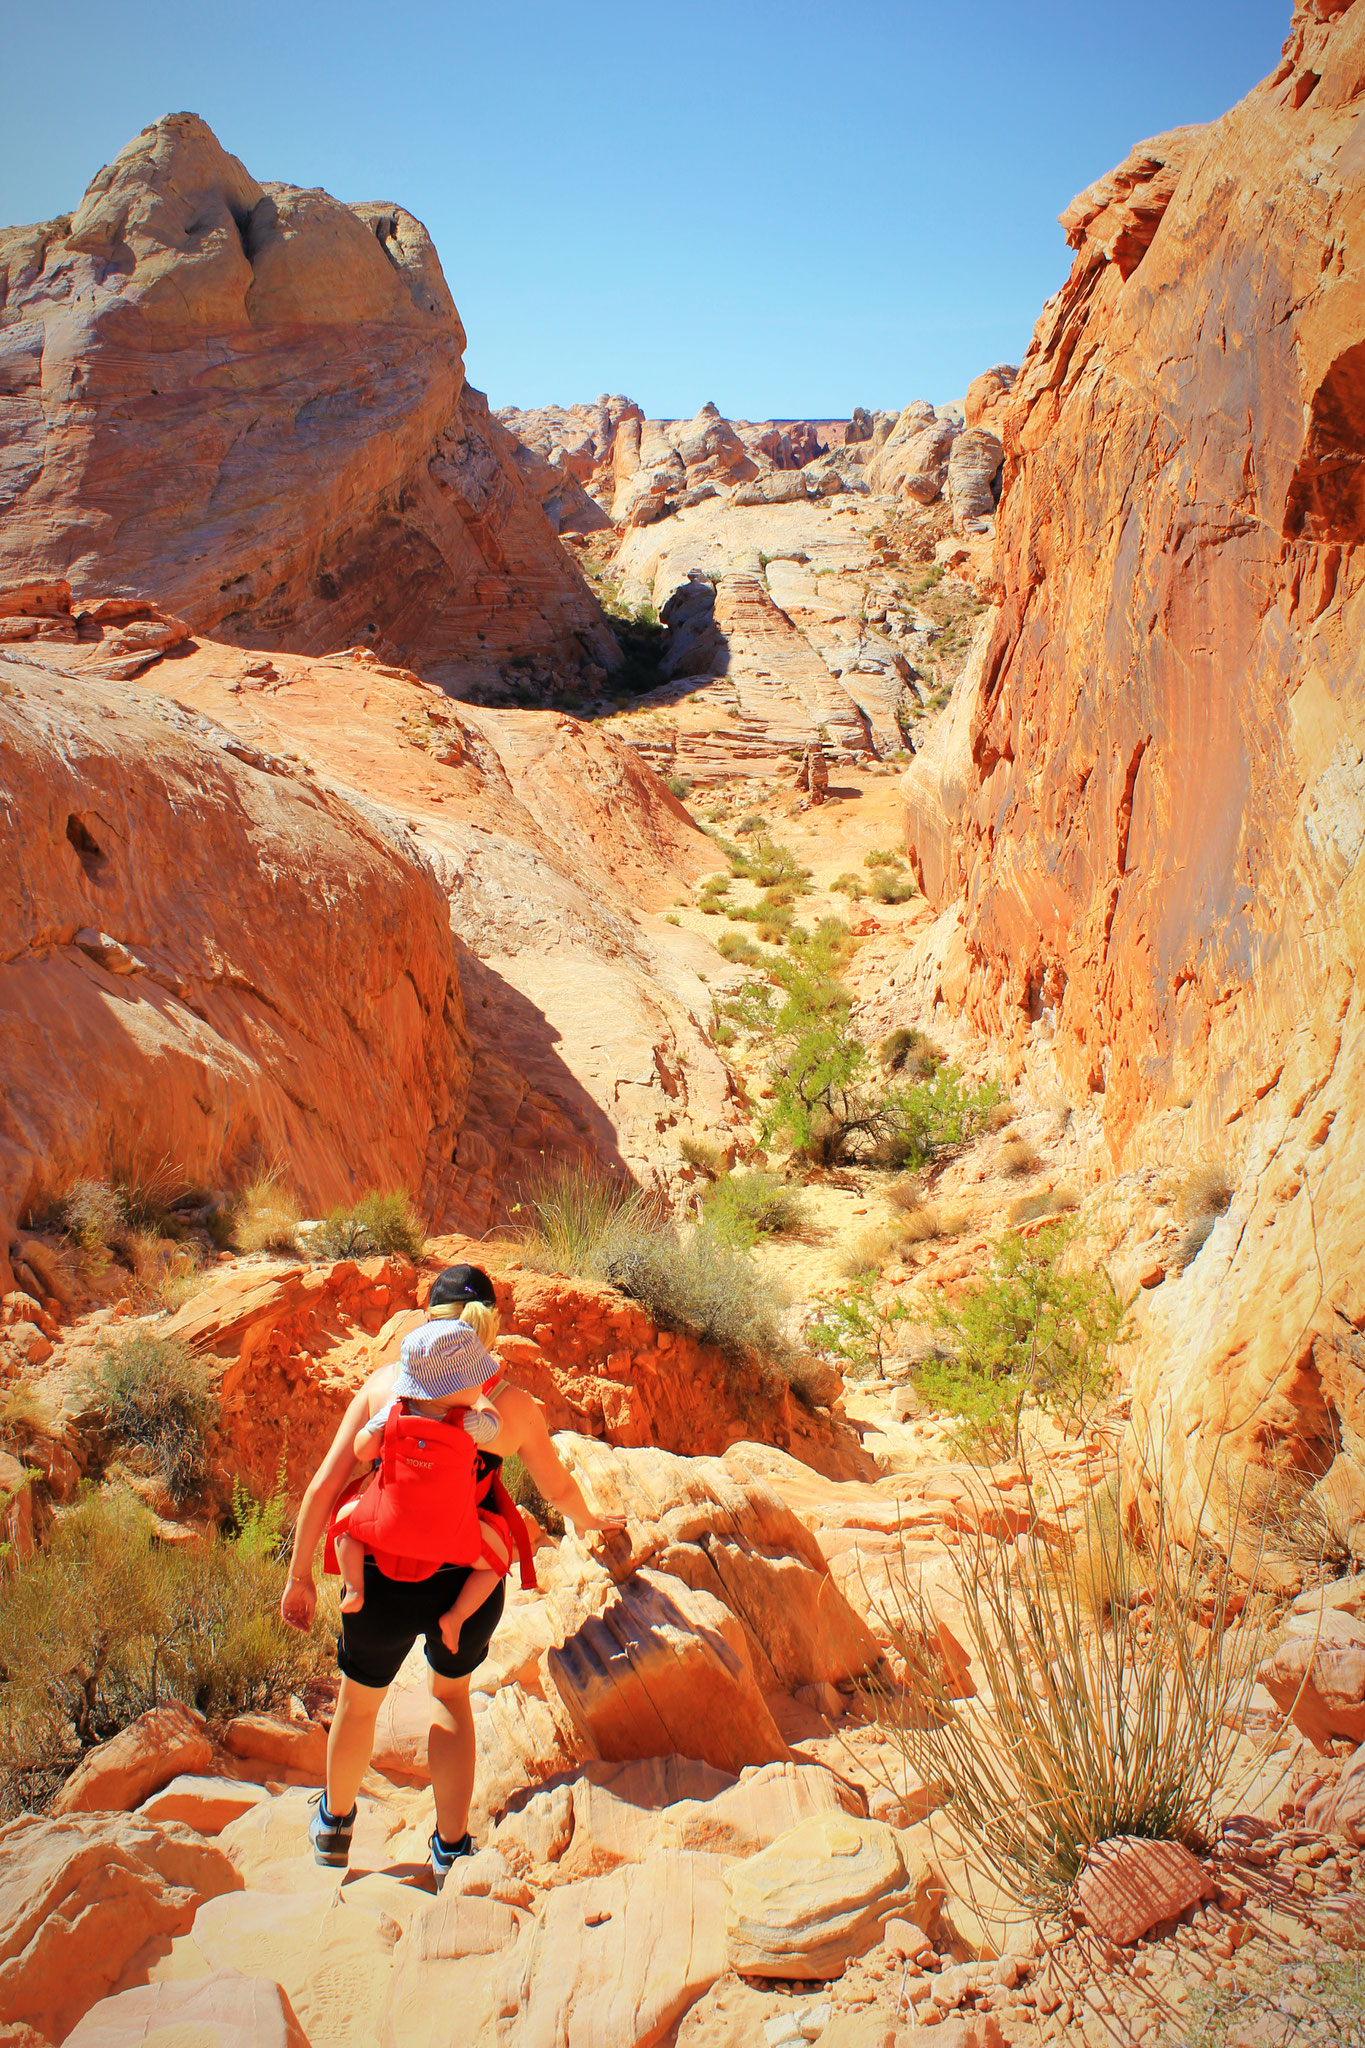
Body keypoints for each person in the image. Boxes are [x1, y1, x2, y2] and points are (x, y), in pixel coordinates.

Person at [280, 1261, 625, 1888]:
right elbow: (558, 1485)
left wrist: (300, 1575)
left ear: (424, 1323)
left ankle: (333, 1830)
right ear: (489, 1327)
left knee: (359, 1707)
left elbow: (325, 1485)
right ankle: (449, 1848)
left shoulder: (386, 1389)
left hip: (381, 1578)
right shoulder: (511, 1409)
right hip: (462, 1577)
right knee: (449, 1699)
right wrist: (593, 1520)